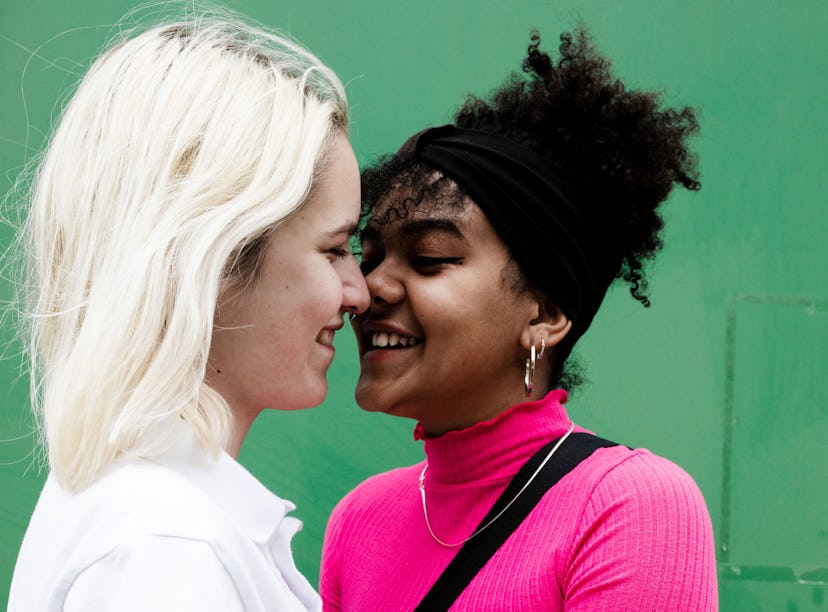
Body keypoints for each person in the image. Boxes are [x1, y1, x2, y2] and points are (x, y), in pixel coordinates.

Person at [321, 29, 717, 611]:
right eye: (370, 255)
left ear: (547, 313)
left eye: (428, 259)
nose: (368, 287)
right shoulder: (359, 521)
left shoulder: (625, 505)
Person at [8, 11, 368, 612]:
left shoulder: (149, 515)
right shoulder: (165, 547)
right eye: (333, 250)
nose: (357, 292)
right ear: (215, 258)